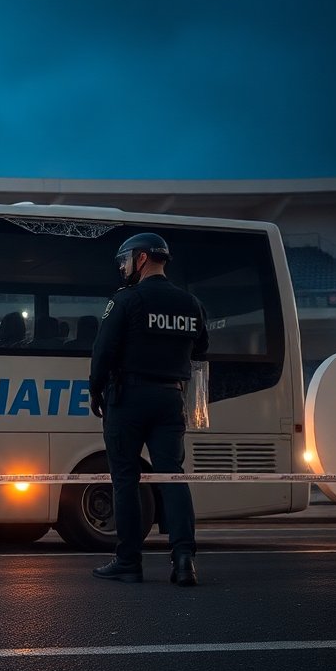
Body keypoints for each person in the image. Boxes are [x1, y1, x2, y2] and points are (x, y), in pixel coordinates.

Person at [88, 233, 208, 586]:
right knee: (172, 476)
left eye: (125, 260)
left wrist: (96, 392)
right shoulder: (191, 303)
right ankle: (184, 559)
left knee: (125, 480)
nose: (123, 268)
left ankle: (128, 561)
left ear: (141, 259)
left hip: (128, 399)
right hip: (172, 399)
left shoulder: (127, 301)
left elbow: (103, 351)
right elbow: (200, 354)